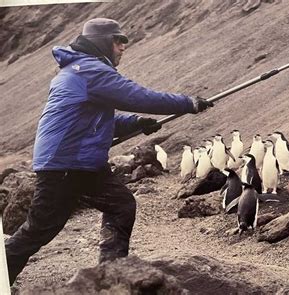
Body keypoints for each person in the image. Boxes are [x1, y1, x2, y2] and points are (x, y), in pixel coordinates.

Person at [4, 18, 213, 285]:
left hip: (80, 163)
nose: (123, 47)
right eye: (117, 41)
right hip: (67, 163)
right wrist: (188, 103)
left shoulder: (77, 70)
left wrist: (135, 123)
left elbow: (94, 120)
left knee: (121, 205)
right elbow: (138, 96)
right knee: (39, 230)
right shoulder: (89, 71)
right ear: (101, 42)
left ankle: (111, 276)